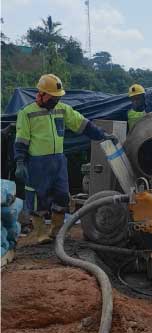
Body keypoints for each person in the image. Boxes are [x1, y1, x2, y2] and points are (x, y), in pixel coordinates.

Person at [14, 73, 118, 244]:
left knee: (62, 197)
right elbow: (21, 140)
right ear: (41, 94)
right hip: (37, 164)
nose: (56, 100)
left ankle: (56, 233)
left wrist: (103, 135)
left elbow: (83, 124)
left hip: (58, 162)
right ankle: (40, 234)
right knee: (38, 199)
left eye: (57, 97)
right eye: (53, 97)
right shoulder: (27, 113)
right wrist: (19, 161)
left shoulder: (63, 109)